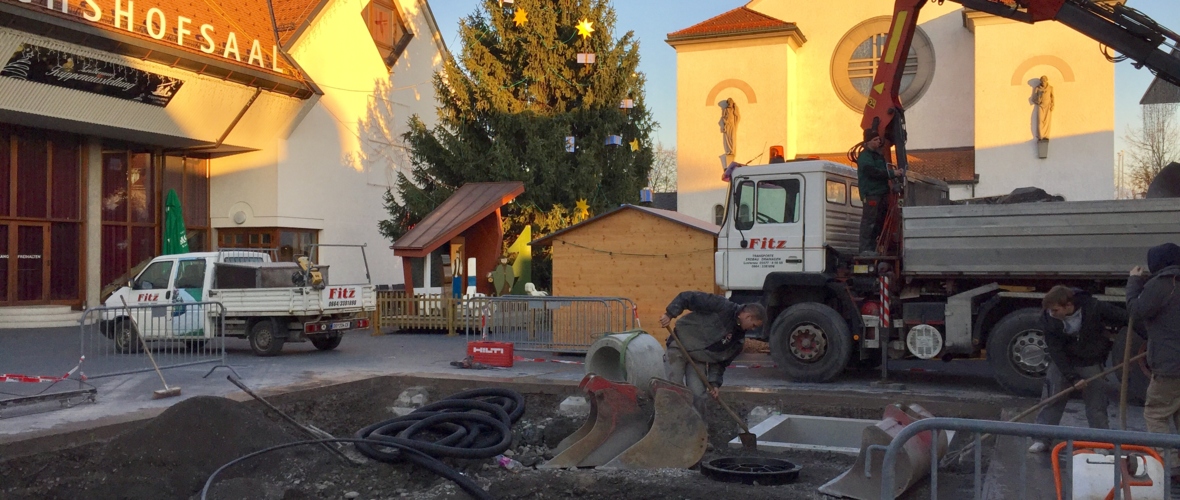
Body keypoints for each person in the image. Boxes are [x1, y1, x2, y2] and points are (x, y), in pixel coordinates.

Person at [1028, 285, 1128, 452]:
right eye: (1050, 311)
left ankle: (1101, 443)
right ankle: (1042, 438)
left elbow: (1126, 317)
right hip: (1062, 363)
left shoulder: (1094, 307)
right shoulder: (1048, 319)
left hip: (1090, 362)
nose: (1052, 314)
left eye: (1055, 310)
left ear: (1068, 306)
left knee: (1097, 404)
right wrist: (1073, 378)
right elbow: (1056, 351)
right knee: (1052, 400)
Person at [658, 291, 766, 412]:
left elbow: (720, 362)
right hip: (679, 345)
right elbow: (687, 297)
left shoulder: (738, 342)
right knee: (674, 389)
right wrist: (669, 314)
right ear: (748, 317)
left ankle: (700, 427)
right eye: (754, 325)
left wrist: (714, 383)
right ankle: (671, 423)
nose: (753, 329)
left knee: (698, 394)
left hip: (700, 358)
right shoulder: (721, 306)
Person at [1127, 243, 1180, 475]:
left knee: (1156, 412)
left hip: (1171, 364)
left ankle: (1171, 466)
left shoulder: (1162, 285)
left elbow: (1137, 310)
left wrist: (1134, 282)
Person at [856, 129, 901, 256]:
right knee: (869, 221)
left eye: (878, 139)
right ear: (868, 141)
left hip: (881, 193)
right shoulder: (865, 157)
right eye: (875, 139)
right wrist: (892, 173)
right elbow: (873, 172)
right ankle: (865, 249)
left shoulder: (877, 156)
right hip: (871, 193)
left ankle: (875, 248)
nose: (878, 142)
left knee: (879, 222)